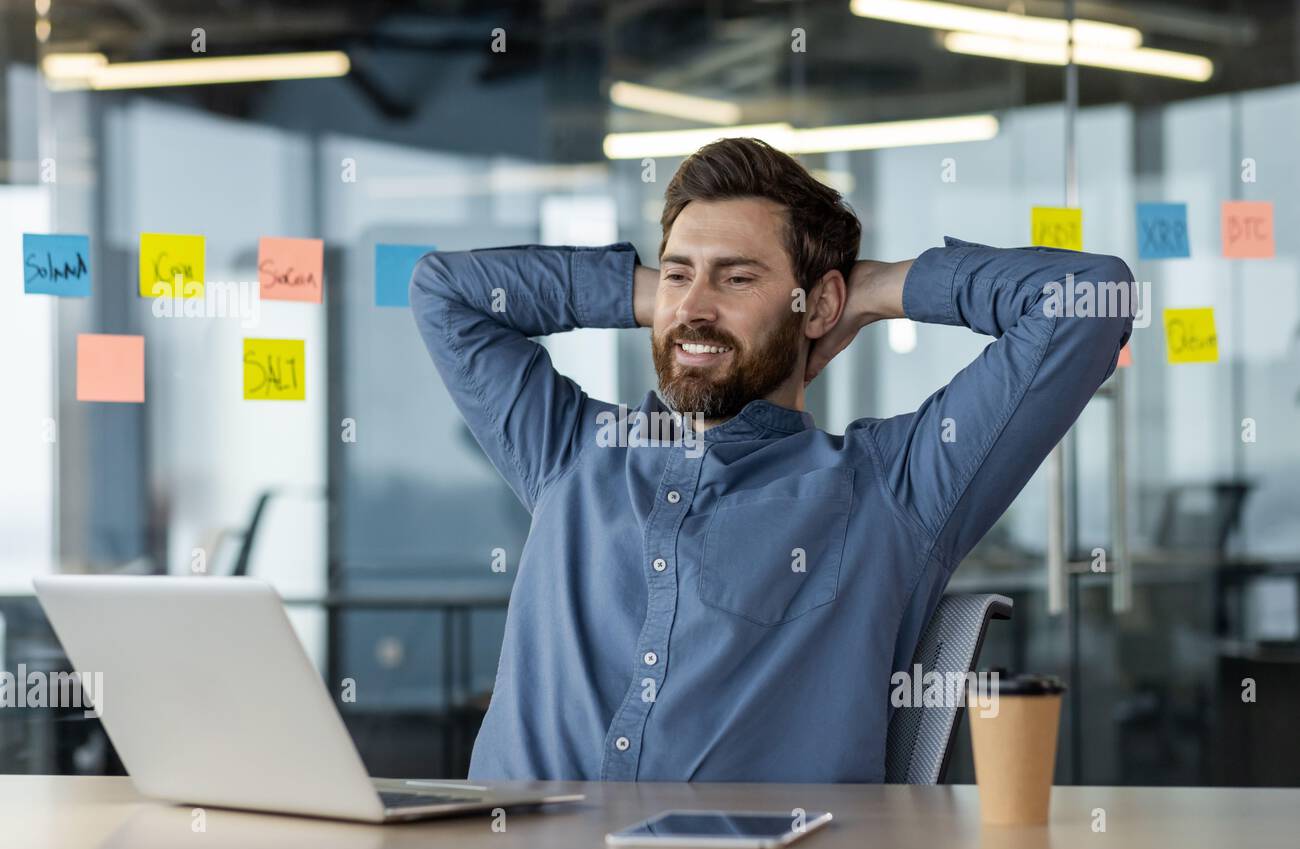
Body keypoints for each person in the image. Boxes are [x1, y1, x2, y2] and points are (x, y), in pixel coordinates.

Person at [409, 136, 1133, 783]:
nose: (696, 306)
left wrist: (876, 290)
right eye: (679, 272)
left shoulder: (892, 486)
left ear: (818, 307)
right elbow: (445, 292)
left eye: (738, 278)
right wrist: (665, 298)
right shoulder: (569, 449)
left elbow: (1086, 302)